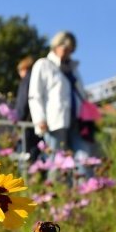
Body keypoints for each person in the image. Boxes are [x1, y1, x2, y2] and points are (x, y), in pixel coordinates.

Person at [28, 31, 93, 170]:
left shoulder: (73, 70)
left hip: (78, 121)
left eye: (70, 50)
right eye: (64, 47)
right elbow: (35, 94)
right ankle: (56, 189)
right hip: (55, 122)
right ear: (56, 46)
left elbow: (81, 94)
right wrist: (39, 119)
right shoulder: (43, 65)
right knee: (56, 160)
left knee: (84, 159)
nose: (67, 52)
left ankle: (85, 188)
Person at [13, 56, 42, 162]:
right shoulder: (39, 79)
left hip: (27, 122)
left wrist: (17, 118)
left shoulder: (26, 80)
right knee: (37, 151)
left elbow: (22, 102)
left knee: (25, 153)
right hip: (39, 121)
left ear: (23, 69)